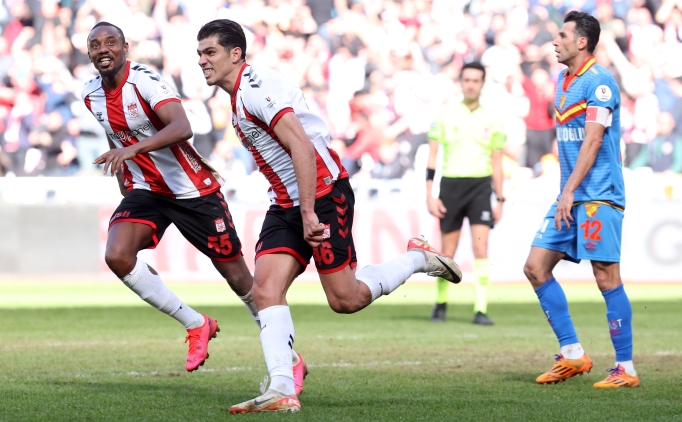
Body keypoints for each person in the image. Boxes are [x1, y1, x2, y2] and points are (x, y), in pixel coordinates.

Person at [196, 19, 462, 413]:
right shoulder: (238, 96)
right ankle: (281, 388)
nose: (202, 61)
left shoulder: (255, 88)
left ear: (236, 54)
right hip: (286, 202)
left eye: (210, 52)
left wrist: (307, 211)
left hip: (321, 195)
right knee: (265, 289)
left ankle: (417, 258)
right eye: (199, 54)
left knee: (345, 299)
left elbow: (302, 147)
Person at [83, 22, 307, 390]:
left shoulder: (145, 81)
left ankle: (290, 360)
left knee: (241, 281)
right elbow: (114, 131)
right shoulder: (90, 93)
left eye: (111, 42)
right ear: (89, 52)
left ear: (126, 48)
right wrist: (124, 172)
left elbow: (181, 127)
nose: (103, 49)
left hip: (193, 191)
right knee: (117, 256)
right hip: (148, 190)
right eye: (95, 44)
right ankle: (196, 323)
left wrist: (132, 150)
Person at [523, 11, 639, 388]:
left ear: (581, 42)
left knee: (606, 277)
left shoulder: (600, 83)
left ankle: (626, 369)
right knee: (535, 267)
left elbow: (592, 140)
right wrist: (567, 192)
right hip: (570, 195)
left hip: (598, 195)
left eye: (562, 35)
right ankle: (572, 353)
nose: (555, 41)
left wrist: (569, 190)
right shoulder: (562, 79)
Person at [426, 61, 506, 326]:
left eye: (476, 80)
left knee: (480, 247)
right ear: (460, 83)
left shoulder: (493, 119)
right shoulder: (444, 115)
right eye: (467, 80)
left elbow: (497, 162)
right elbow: (432, 157)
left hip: (480, 188)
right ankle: (440, 303)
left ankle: (480, 309)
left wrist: (500, 198)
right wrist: (430, 193)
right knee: (447, 251)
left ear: (482, 84)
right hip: (451, 186)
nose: (471, 85)